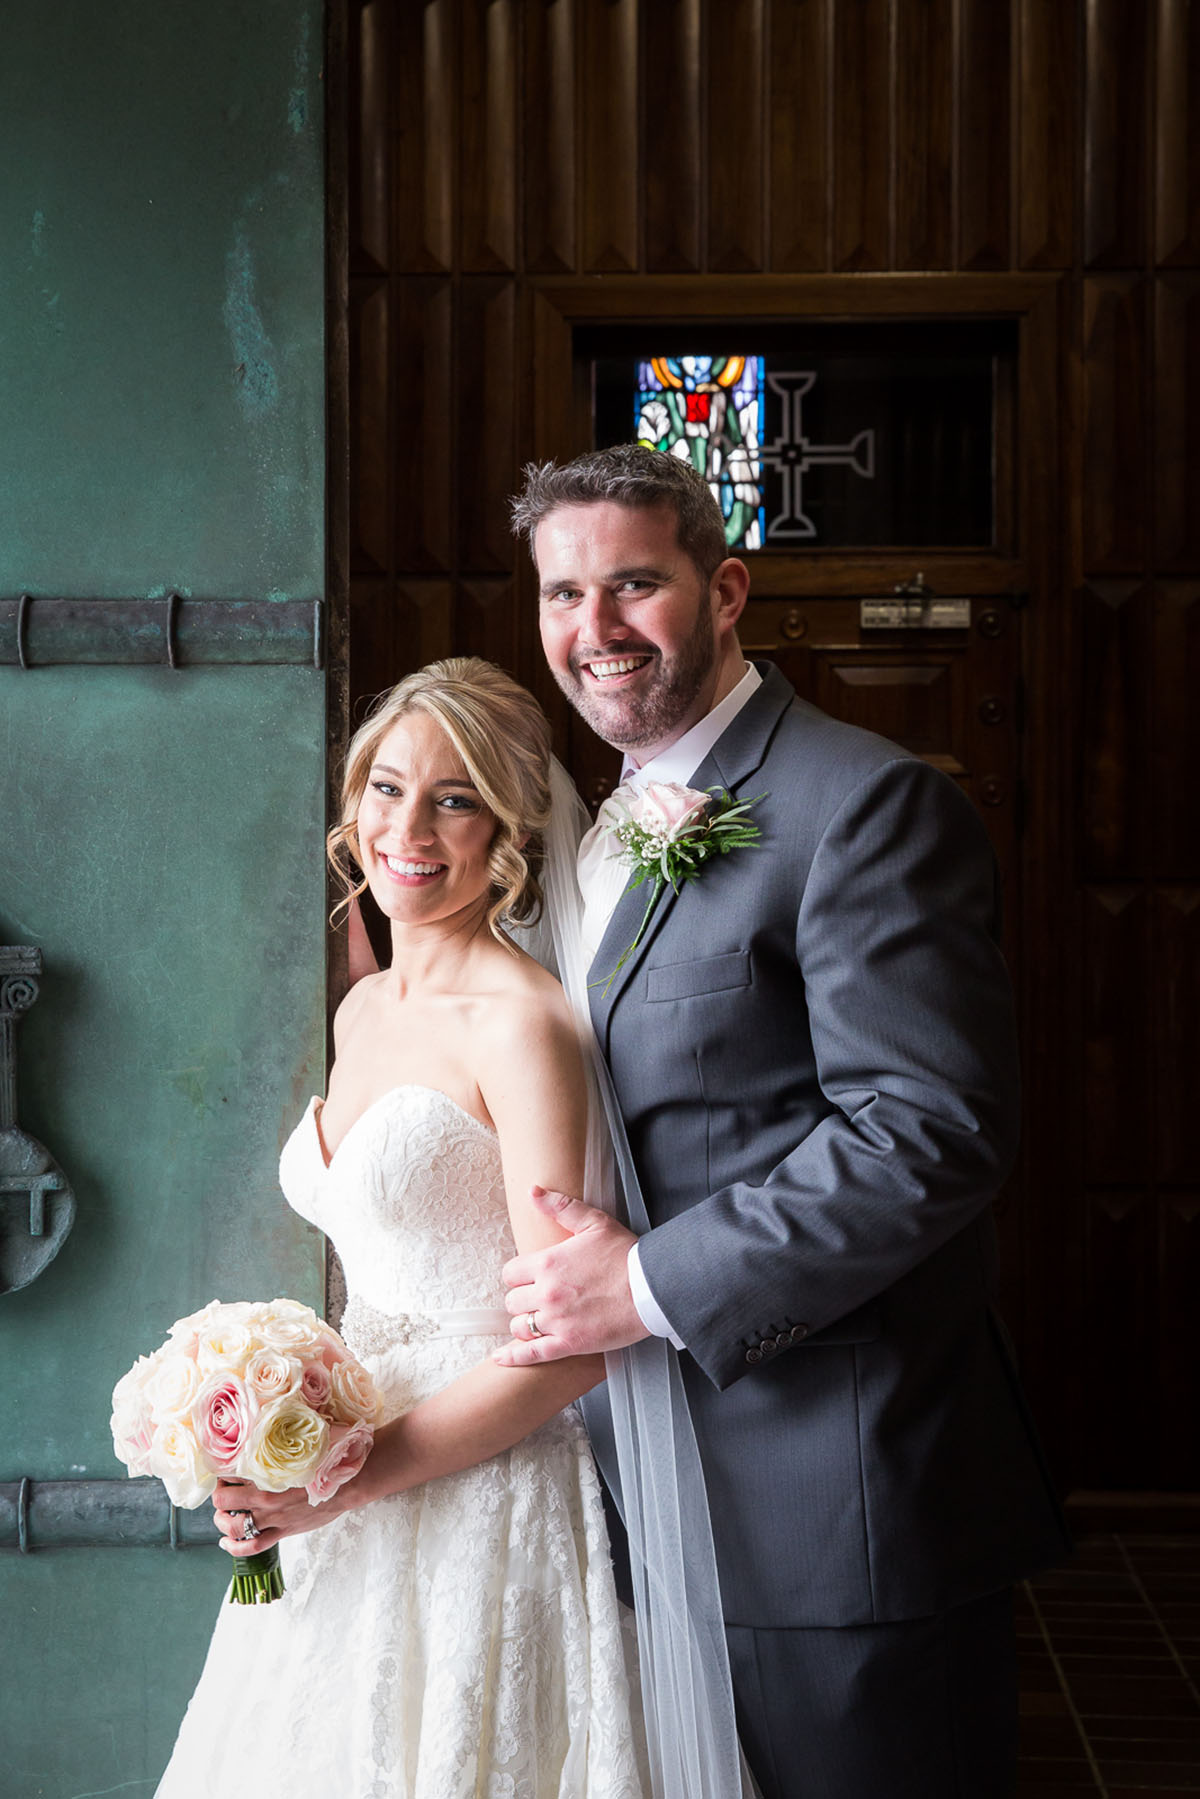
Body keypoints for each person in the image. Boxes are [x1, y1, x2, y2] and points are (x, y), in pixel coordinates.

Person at [497, 445, 1072, 1799]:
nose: (597, 630)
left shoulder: (861, 802)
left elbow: (927, 1129)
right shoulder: (575, 833)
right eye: (563, 594)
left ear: (726, 585)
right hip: (627, 1485)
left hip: (834, 1499)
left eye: (635, 583)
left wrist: (641, 1280)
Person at [154, 658, 647, 1797]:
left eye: (455, 794)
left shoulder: (523, 1025)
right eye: (385, 785)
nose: (408, 825)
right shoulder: (362, 1001)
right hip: (340, 1481)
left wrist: (355, 1470)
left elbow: (568, 1343)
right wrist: (270, 1438)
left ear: (509, 826)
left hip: (471, 1491)